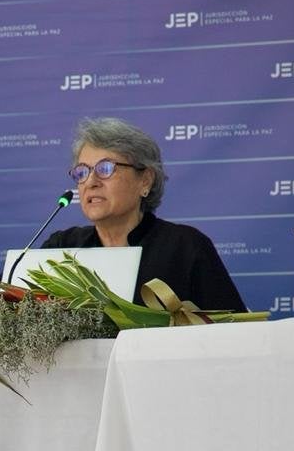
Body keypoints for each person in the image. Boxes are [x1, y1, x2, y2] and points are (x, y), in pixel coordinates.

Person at [41, 117, 247, 312]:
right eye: (82, 172)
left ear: (145, 181)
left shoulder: (185, 247)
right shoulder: (61, 248)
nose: (91, 182)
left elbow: (230, 331)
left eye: (105, 168)